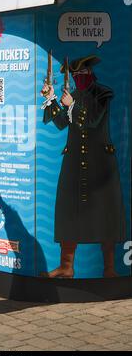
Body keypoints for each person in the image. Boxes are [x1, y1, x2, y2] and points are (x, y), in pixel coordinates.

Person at [40, 56, 126, 279]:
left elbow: (93, 120)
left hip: (100, 164)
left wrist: (73, 106)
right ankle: (66, 267)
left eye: (81, 75)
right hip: (74, 161)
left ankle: (109, 269)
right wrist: (52, 100)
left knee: (105, 213)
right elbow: (60, 124)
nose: (78, 79)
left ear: (90, 74)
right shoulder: (74, 97)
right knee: (69, 210)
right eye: (75, 76)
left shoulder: (103, 93)